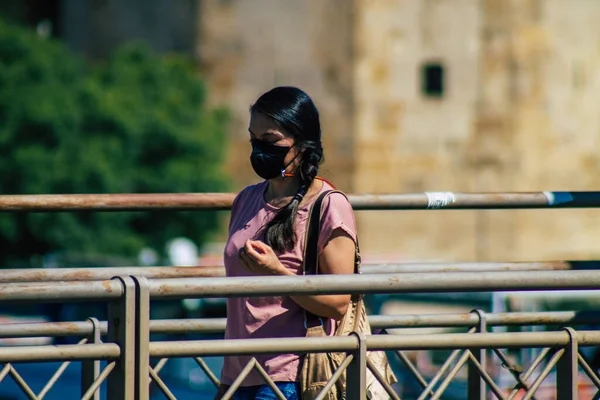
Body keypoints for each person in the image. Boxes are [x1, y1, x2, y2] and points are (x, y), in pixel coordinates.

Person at [215, 86, 358, 400]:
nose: (259, 150)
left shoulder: (327, 205)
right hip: (238, 376)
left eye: (270, 142)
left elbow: (337, 304)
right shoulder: (246, 200)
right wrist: (226, 382)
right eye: (254, 140)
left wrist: (277, 273)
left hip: (288, 378)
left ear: (303, 143)